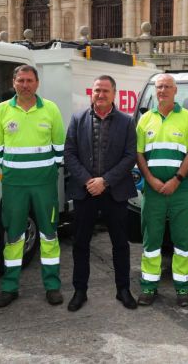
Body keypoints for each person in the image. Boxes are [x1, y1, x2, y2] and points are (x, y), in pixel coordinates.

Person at [0, 65, 66, 308]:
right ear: (14, 83)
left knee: (49, 234)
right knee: (13, 236)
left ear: (37, 83)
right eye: (21, 80)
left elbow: (59, 147)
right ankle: (9, 287)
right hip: (14, 184)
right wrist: (13, 169)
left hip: (44, 183)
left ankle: (52, 286)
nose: (25, 84)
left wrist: (46, 170)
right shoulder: (2, 110)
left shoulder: (50, 109)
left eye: (29, 80)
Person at [63, 75, 138, 311]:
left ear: (114, 93)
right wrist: (88, 180)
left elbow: (130, 156)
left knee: (120, 244)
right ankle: (80, 291)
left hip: (114, 192)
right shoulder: (77, 119)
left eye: (105, 90)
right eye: (97, 90)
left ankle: (123, 289)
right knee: (80, 243)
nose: (101, 94)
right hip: (85, 192)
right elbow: (69, 154)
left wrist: (105, 181)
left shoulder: (126, 122)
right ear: (91, 93)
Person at [136, 74, 188, 307]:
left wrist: (177, 179)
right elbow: (139, 153)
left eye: (167, 87)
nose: (162, 90)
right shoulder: (145, 120)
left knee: (183, 241)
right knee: (151, 240)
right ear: (155, 90)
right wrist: (150, 179)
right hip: (153, 190)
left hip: (181, 189)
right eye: (159, 87)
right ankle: (148, 286)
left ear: (175, 91)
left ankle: (182, 289)